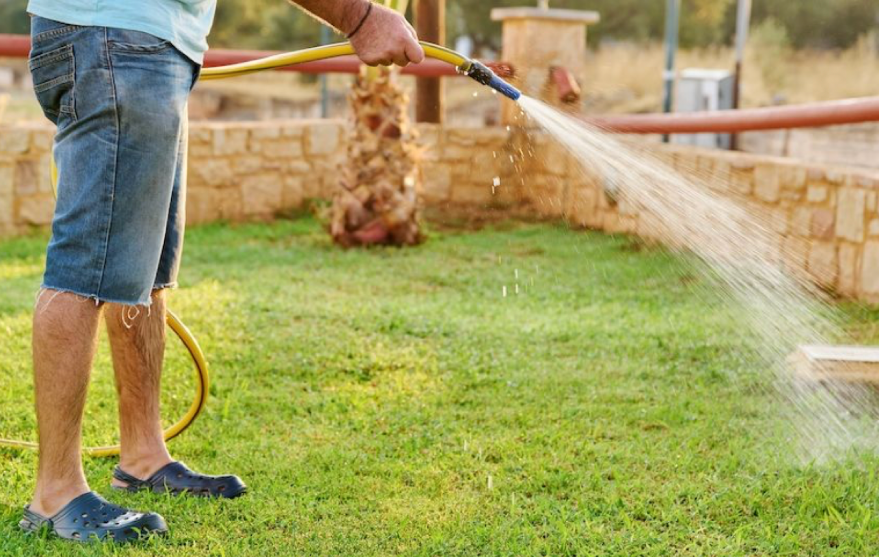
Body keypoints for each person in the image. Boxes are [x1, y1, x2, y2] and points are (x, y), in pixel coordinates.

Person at [21, 0, 424, 543]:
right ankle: (55, 495)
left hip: (145, 42)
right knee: (86, 266)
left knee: (144, 269)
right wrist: (361, 18)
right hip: (116, 35)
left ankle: (142, 455)